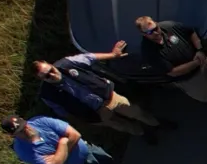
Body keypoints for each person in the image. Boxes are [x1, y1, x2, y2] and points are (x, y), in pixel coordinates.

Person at [34, 43, 170, 143]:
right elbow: (62, 112)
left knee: (135, 111)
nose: (52, 74)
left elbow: (89, 57)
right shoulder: (47, 94)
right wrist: (82, 119)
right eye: (46, 76)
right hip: (95, 114)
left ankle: (156, 123)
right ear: (41, 79)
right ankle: (143, 133)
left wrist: (113, 55)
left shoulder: (66, 64)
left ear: (50, 64)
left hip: (109, 97)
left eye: (51, 69)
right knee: (121, 126)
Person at [135, 15, 207, 121]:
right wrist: (196, 62)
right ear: (143, 34)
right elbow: (173, 72)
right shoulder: (149, 52)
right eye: (150, 32)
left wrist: (199, 50)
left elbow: (190, 32)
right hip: (189, 80)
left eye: (155, 28)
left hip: (202, 65)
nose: (156, 33)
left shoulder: (168, 26)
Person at [1, 115, 133, 164]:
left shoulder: (41, 121)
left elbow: (75, 134)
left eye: (24, 125)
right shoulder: (23, 151)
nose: (26, 129)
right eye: (20, 131)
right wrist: (63, 143)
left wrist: (60, 154)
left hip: (90, 150)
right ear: (13, 135)